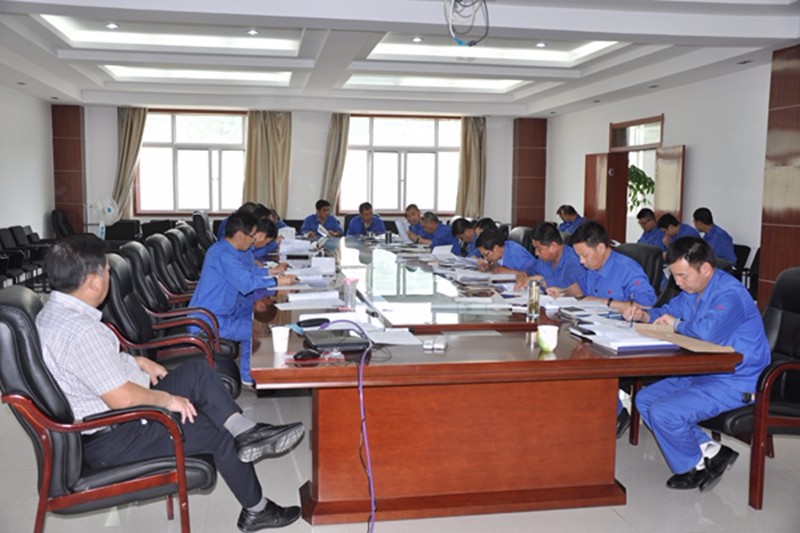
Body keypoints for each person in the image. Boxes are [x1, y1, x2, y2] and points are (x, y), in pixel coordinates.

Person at [36, 234, 306, 531]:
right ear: (92, 281)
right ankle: (257, 511)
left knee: (198, 371)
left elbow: (89, 367)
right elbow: (122, 399)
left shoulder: (53, 313)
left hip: (110, 415)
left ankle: (246, 431)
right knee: (217, 431)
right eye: (108, 271)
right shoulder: (82, 332)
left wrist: (137, 362)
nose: (109, 278)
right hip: (114, 433)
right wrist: (168, 401)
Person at [624, 237, 770, 492]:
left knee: (664, 411)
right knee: (645, 399)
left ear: (705, 269)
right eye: (674, 276)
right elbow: (667, 311)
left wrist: (676, 324)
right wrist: (644, 315)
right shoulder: (692, 292)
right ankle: (711, 451)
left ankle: (693, 466)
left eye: (682, 276)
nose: (678, 282)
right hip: (704, 371)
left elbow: (706, 332)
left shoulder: (730, 294)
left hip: (735, 380)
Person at [546, 220, 658, 436]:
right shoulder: (592, 266)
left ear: (600, 247)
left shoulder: (627, 269)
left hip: (624, 336)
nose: (581, 261)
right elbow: (581, 288)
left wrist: (604, 302)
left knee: (584, 359)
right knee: (564, 351)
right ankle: (585, 412)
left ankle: (614, 414)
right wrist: (563, 291)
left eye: (584, 255)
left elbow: (646, 306)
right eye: (578, 256)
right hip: (596, 330)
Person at [189, 211, 298, 386]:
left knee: (258, 318)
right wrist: (277, 281)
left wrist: (270, 272)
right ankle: (248, 376)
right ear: (240, 235)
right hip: (208, 321)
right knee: (256, 330)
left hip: (222, 313)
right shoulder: (223, 255)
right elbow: (246, 282)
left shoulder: (229, 250)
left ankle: (256, 370)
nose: (253, 240)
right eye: (252, 236)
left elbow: (248, 271)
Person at [514, 222, 585, 290]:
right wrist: (524, 274)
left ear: (553, 247)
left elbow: (572, 288)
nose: (536, 253)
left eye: (539, 249)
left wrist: (542, 281)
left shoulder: (575, 261)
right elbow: (531, 271)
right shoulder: (544, 259)